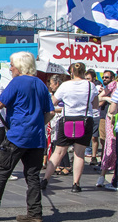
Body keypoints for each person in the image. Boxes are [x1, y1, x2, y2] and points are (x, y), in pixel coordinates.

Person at [0, 52, 54, 222]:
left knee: (2, 171)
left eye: (12, 65)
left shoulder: (17, 82)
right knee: (32, 176)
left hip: (18, 136)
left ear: (20, 66)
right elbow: (50, 112)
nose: (10, 68)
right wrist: (37, 124)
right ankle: (35, 214)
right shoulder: (40, 84)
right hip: (37, 138)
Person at [43, 62, 99, 193]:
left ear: (71, 72)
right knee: (79, 154)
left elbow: (53, 102)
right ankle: (76, 184)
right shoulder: (90, 85)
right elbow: (95, 105)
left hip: (67, 120)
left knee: (59, 152)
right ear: (84, 72)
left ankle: (45, 179)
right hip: (85, 120)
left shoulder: (65, 85)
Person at [97, 71, 117, 190]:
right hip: (111, 118)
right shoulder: (113, 85)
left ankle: (115, 177)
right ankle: (102, 176)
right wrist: (109, 99)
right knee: (110, 146)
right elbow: (100, 97)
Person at [86, 69, 102, 164]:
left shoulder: (98, 88)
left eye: (88, 78)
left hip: (95, 114)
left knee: (94, 137)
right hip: (86, 115)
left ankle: (94, 156)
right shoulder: (83, 87)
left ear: (94, 79)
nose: (86, 80)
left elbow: (99, 102)